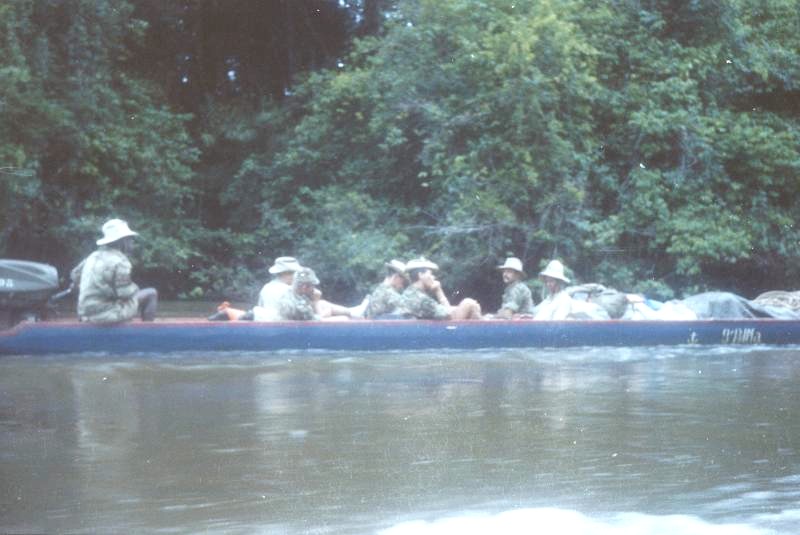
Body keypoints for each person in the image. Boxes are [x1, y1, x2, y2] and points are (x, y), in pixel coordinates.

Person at [70, 218, 158, 323]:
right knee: (151, 293)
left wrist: (79, 285)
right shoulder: (121, 262)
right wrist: (136, 289)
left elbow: (74, 275)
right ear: (122, 241)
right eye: (130, 239)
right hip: (106, 315)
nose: (132, 242)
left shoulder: (93, 256)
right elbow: (125, 293)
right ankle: (148, 331)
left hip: (84, 314)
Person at [402, 258, 482, 320]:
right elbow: (449, 315)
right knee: (469, 303)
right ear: (421, 275)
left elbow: (444, 310)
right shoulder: (422, 300)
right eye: (431, 274)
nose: (433, 277)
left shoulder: (409, 293)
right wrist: (439, 291)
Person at [252, 256, 302, 321]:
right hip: (283, 324)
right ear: (286, 273)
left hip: (264, 324)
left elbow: (260, 306)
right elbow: (296, 315)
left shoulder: (266, 287)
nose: (297, 277)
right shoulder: (289, 290)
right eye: (295, 273)